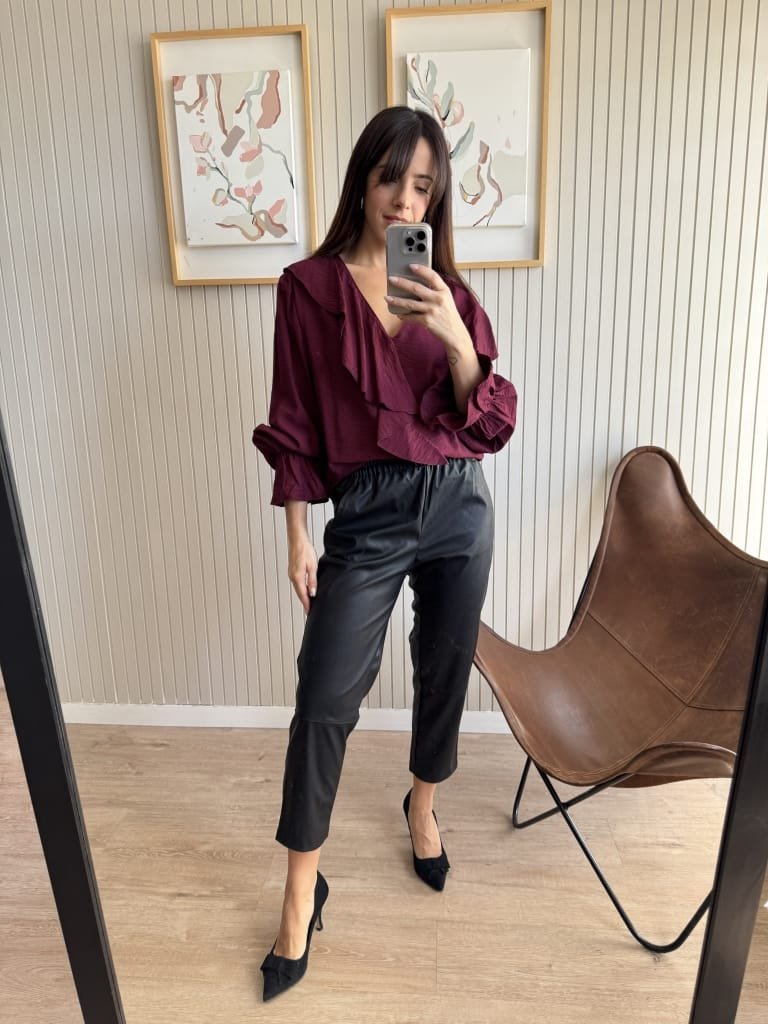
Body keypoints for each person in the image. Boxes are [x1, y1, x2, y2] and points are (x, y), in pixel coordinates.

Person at [252, 105, 517, 1002]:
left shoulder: (448, 292)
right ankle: (301, 890)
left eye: (425, 187)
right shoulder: (308, 289)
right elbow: (293, 420)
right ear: (363, 180)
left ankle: (423, 804)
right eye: (392, 179)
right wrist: (297, 534)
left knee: (444, 667)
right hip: (366, 513)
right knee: (324, 696)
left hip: (458, 507)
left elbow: (487, 422)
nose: (406, 200)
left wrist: (455, 338)